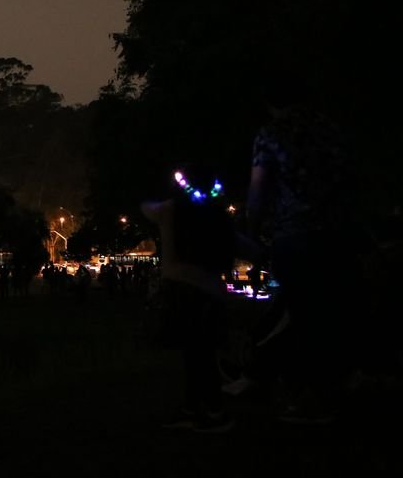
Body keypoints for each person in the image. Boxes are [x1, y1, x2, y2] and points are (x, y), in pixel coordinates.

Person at [228, 71, 358, 423]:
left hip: (296, 234)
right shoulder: (332, 131)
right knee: (331, 311)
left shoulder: (272, 135)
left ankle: (304, 393)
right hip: (340, 231)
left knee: (300, 313)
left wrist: (252, 231)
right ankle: (332, 386)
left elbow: (259, 189)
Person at [142, 163, 237, 434]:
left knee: (194, 354)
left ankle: (211, 412)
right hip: (211, 292)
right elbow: (238, 242)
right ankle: (199, 408)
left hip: (182, 289)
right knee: (203, 352)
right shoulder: (217, 214)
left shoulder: (169, 209)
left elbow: (146, 206)